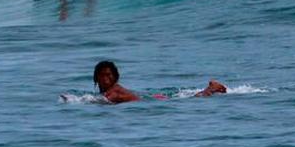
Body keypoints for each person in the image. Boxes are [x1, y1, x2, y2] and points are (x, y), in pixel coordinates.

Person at [92, 60, 227, 104]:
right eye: (102, 75)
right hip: (151, 98)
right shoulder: (111, 90)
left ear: (115, 77)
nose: (105, 78)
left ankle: (211, 88)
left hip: (153, 101)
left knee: (192, 99)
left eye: (108, 75)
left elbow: (104, 100)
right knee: (188, 98)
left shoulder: (114, 91)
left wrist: (76, 100)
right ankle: (210, 89)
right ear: (96, 77)